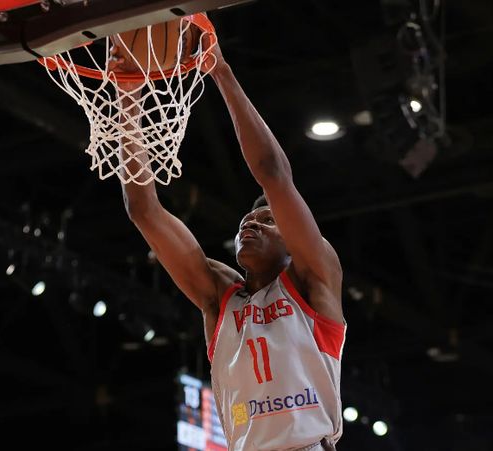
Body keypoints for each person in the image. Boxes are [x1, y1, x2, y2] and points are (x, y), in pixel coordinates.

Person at [110, 31, 346, 451]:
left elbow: (273, 172)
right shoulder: (221, 298)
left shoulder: (314, 279)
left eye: (267, 221)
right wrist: (128, 95)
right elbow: (143, 209)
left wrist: (219, 70)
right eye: (246, 221)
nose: (251, 225)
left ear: (293, 243)